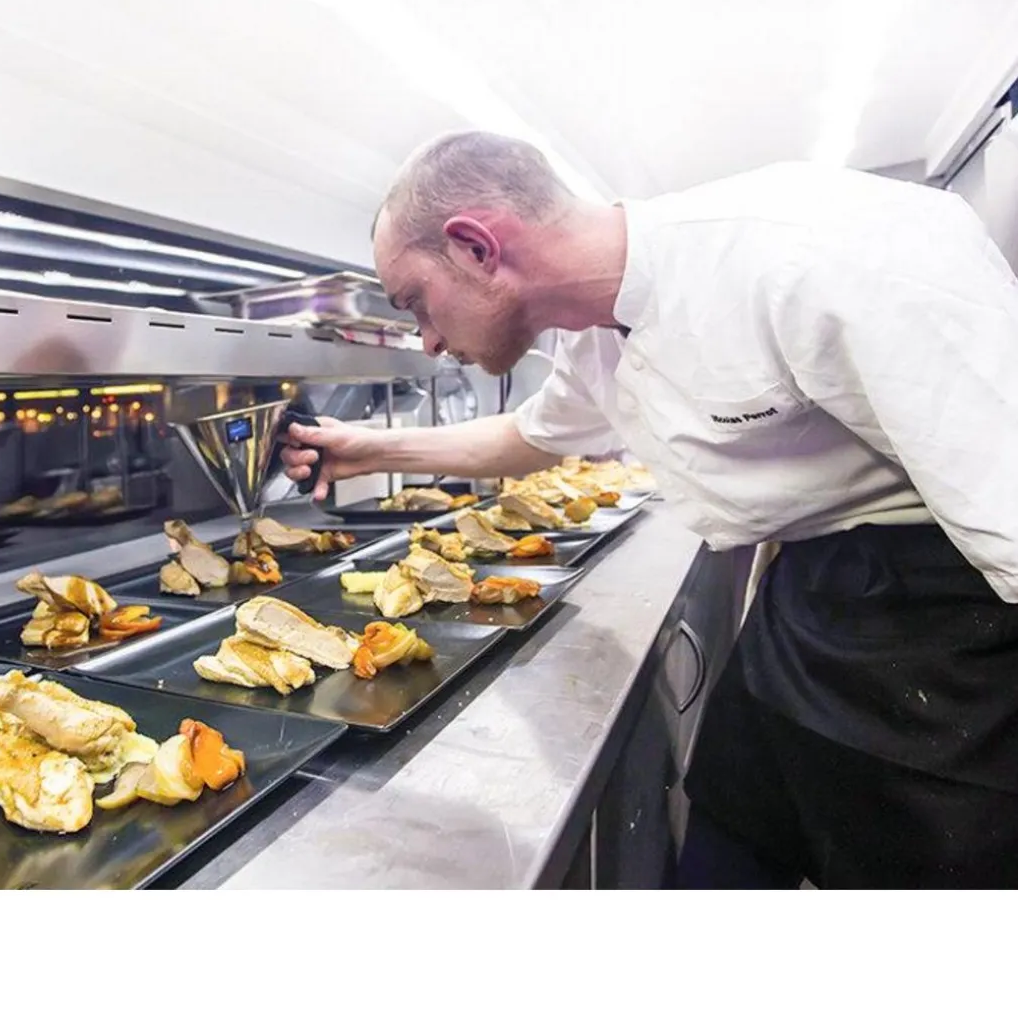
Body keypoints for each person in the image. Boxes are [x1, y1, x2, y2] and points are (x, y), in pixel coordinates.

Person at [281, 130, 1018, 888]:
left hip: (955, 621)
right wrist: (367, 449)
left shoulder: (816, 249)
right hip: (805, 601)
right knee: (722, 856)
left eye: (415, 304)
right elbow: (530, 438)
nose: (426, 341)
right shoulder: (590, 337)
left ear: (475, 247)